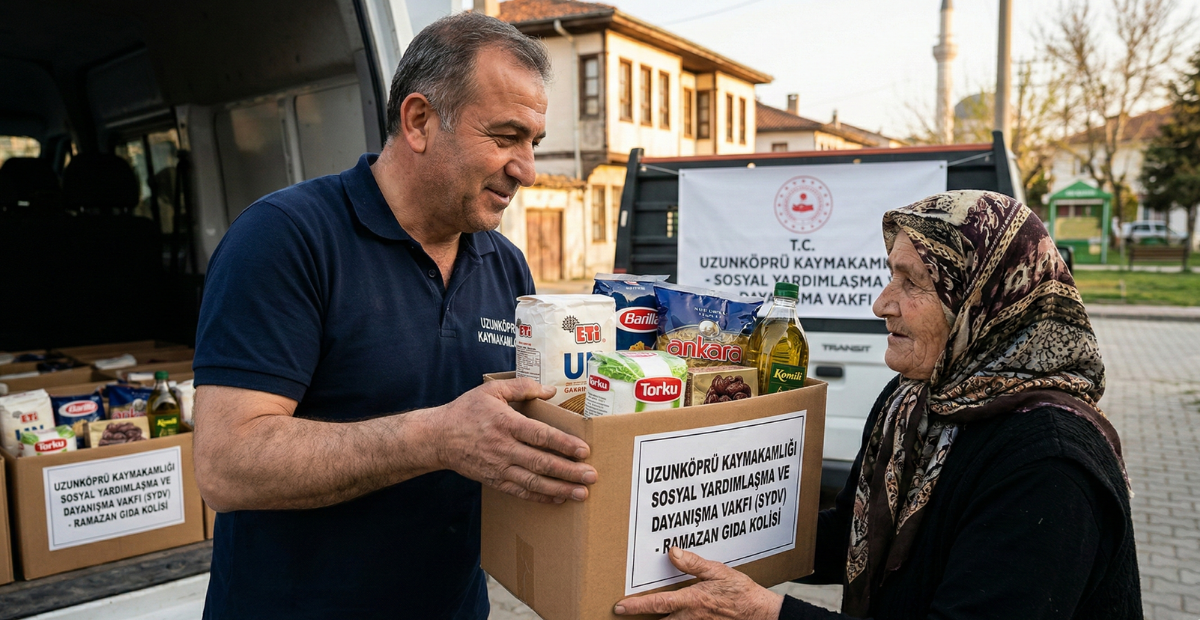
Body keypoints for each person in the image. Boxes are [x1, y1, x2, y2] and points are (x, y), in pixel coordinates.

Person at [191, 12, 598, 619]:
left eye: (532, 143)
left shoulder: (505, 265)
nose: (527, 170)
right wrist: (437, 437)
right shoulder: (285, 238)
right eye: (506, 136)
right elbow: (226, 464)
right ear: (419, 121)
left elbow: (509, 439)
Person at [614, 191, 1141, 619]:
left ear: (981, 301)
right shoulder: (914, 399)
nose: (881, 303)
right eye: (891, 274)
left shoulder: (1049, 465)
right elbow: (852, 534)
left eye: (912, 282)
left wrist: (763, 613)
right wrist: (680, 537)